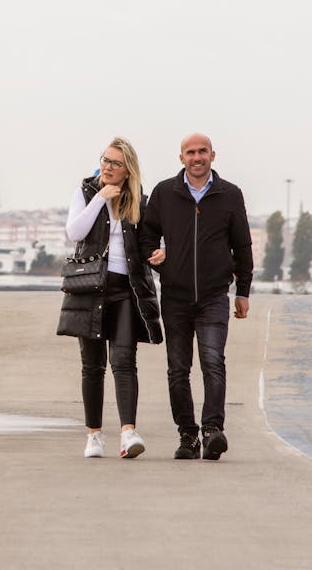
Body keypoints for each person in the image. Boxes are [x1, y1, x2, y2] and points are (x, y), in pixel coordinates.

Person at [141, 132, 253, 461]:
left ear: (213, 155)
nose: (197, 157)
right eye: (190, 152)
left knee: (213, 362)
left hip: (215, 296)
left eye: (202, 151)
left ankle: (212, 430)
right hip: (174, 296)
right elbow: (146, 234)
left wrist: (242, 291)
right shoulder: (165, 192)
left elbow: (242, 245)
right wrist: (154, 254)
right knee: (178, 369)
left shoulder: (230, 194)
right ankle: (187, 435)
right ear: (181, 158)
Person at [57, 137, 162, 459]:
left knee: (124, 362)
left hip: (127, 289)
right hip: (90, 287)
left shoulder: (139, 201)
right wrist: (100, 199)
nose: (107, 167)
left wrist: (159, 253)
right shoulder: (86, 192)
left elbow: (148, 241)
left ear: (127, 168)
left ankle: (129, 432)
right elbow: (75, 232)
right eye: (105, 160)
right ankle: (94, 435)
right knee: (92, 367)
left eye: (115, 163)